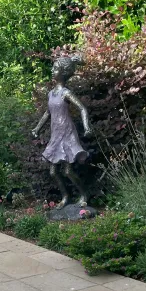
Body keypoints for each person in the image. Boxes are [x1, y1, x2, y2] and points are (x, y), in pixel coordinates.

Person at [32, 56, 92, 207]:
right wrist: (37, 128)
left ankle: (84, 195)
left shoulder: (66, 93)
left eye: (56, 68)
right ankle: (65, 197)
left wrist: (87, 127)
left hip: (67, 133)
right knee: (53, 172)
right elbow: (47, 113)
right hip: (56, 135)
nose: (53, 70)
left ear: (64, 73)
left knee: (67, 171)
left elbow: (82, 108)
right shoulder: (51, 94)